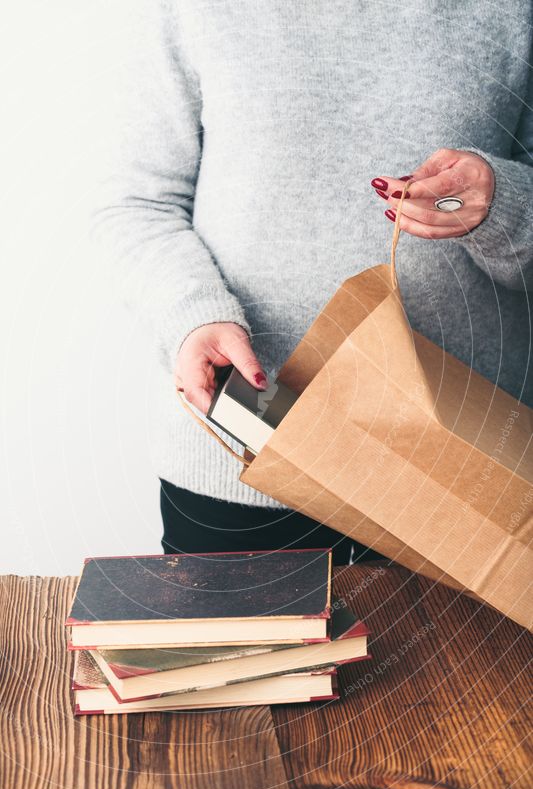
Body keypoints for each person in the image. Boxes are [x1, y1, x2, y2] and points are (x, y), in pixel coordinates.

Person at [93, 1, 532, 564]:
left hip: (469, 472)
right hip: (245, 462)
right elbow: (135, 203)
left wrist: (501, 207)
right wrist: (192, 316)